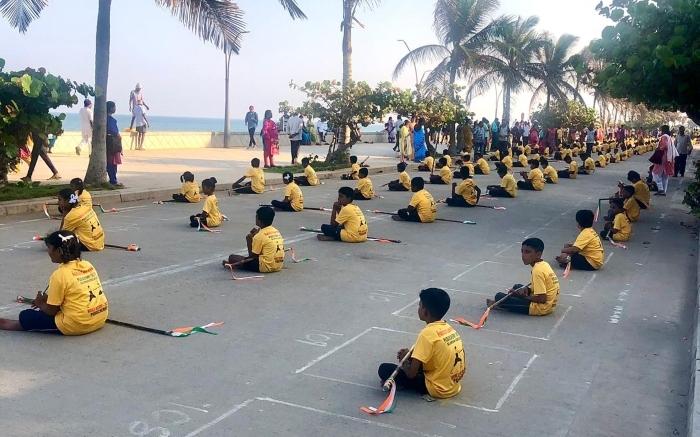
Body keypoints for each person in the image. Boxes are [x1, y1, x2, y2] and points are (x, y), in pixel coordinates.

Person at [0, 230, 108, 335]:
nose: (48, 252)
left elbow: (51, 311)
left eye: (50, 248)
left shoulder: (60, 274)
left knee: (25, 316)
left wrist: (40, 303)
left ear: (59, 251)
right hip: (100, 317)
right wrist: (47, 300)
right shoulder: (87, 265)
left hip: (77, 324)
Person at [377, 288, 466, 398]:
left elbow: (411, 374)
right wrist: (410, 356)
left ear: (425, 312)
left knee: (384, 369)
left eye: (420, 305)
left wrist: (404, 361)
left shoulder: (426, 334)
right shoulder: (448, 328)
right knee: (414, 359)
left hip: (437, 389)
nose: (418, 308)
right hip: (453, 385)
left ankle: (401, 384)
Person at [487, 238, 560, 316]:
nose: (523, 255)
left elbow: (542, 299)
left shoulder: (537, 271)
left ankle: (501, 305)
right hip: (549, 304)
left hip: (541, 308)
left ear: (538, 254)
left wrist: (522, 297)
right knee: (517, 287)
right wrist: (524, 291)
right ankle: (511, 300)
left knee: (499, 296)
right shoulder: (544, 264)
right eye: (522, 251)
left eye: (527, 252)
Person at [224, 206, 284, 273]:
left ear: (259, 220)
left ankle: (236, 266)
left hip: (265, 266)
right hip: (278, 265)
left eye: (256, 216)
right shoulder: (276, 231)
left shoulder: (259, 236)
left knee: (232, 257)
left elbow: (251, 258)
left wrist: (249, 239)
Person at [652, 125, 676, 196]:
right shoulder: (669, 137)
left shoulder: (664, 136)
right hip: (668, 157)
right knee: (664, 175)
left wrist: (659, 148)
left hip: (662, 157)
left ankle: (661, 189)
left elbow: (665, 146)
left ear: (663, 130)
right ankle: (663, 191)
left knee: (655, 173)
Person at [105, 100, 123, 187]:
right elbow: (115, 132)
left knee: (110, 162)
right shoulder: (111, 120)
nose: (115, 108)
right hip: (112, 143)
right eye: (114, 107)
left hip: (107, 142)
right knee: (112, 162)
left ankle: (113, 179)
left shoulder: (103, 119)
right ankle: (113, 180)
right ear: (111, 108)